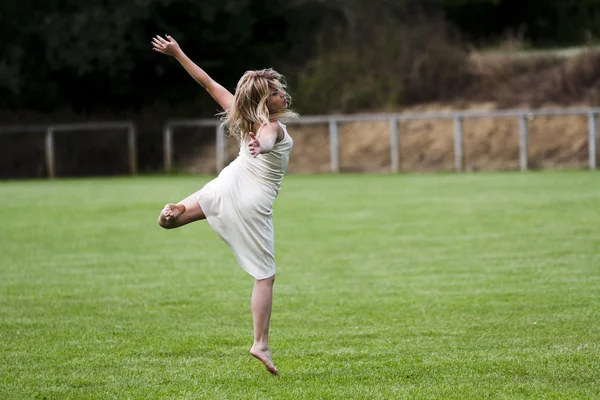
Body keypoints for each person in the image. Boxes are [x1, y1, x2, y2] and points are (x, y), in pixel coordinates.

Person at [151, 34, 298, 376]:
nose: (283, 93)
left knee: (179, 216)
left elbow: (207, 83)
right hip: (250, 202)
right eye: (276, 91)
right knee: (266, 277)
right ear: (265, 101)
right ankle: (260, 343)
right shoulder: (271, 126)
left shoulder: (243, 115)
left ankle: (169, 215)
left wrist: (177, 54)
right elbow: (267, 137)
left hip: (225, 186)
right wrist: (260, 145)